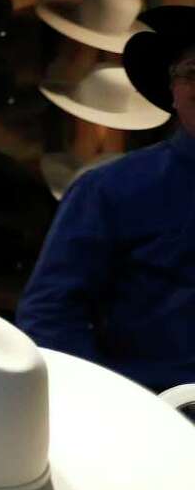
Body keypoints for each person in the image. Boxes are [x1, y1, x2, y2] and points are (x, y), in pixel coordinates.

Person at [17, 31, 195, 394]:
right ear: (173, 89)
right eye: (194, 72)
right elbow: (52, 314)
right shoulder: (109, 190)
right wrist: (110, 403)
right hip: (160, 415)